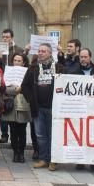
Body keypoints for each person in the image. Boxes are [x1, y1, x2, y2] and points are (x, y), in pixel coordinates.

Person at [22, 43, 59, 171]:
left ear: (50, 53)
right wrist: (31, 99)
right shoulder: (33, 68)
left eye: (43, 51)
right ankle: (44, 159)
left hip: (54, 108)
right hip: (38, 108)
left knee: (53, 135)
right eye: (39, 51)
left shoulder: (59, 67)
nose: (40, 53)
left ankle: (53, 160)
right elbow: (24, 86)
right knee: (40, 135)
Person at [2, 52, 31, 163]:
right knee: (13, 130)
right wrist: (15, 90)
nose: (17, 62)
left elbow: (29, 88)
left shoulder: (28, 72)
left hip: (24, 105)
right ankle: (15, 152)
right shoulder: (8, 72)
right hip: (11, 105)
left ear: (23, 63)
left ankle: (21, 153)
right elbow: (4, 88)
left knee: (22, 130)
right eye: (15, 60)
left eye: (19, 61)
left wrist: (22, 88)